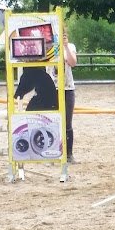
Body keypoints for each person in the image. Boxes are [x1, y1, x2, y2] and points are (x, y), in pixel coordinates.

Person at [48, 32, 78, 164]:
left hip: (67, 88)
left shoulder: (70, 47)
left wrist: (65, 47)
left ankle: (69, 154)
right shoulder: (48, 47)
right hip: (51, 89)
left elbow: (73, 63)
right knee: (51, 121)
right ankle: (51, 152)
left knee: (67, 122)